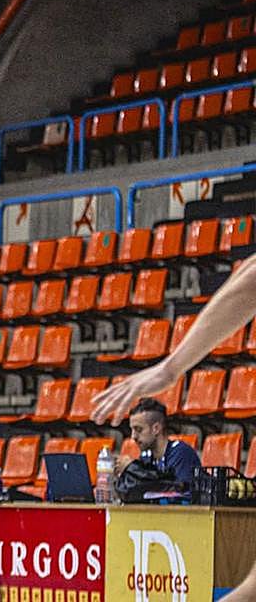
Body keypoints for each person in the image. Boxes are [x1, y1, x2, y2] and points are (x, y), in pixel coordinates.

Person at [93, 252, 256, 600]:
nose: (135, 437)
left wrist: (171, 368)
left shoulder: (180, 452)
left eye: (139, 430)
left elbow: (251, 280)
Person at [113, 397, 201, 486]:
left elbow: (176, 492)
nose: (133, 436)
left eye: (138, 429)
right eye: (131, 430)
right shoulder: (146, 457)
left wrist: (131, 468)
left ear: (156, 429)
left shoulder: (181, 453)